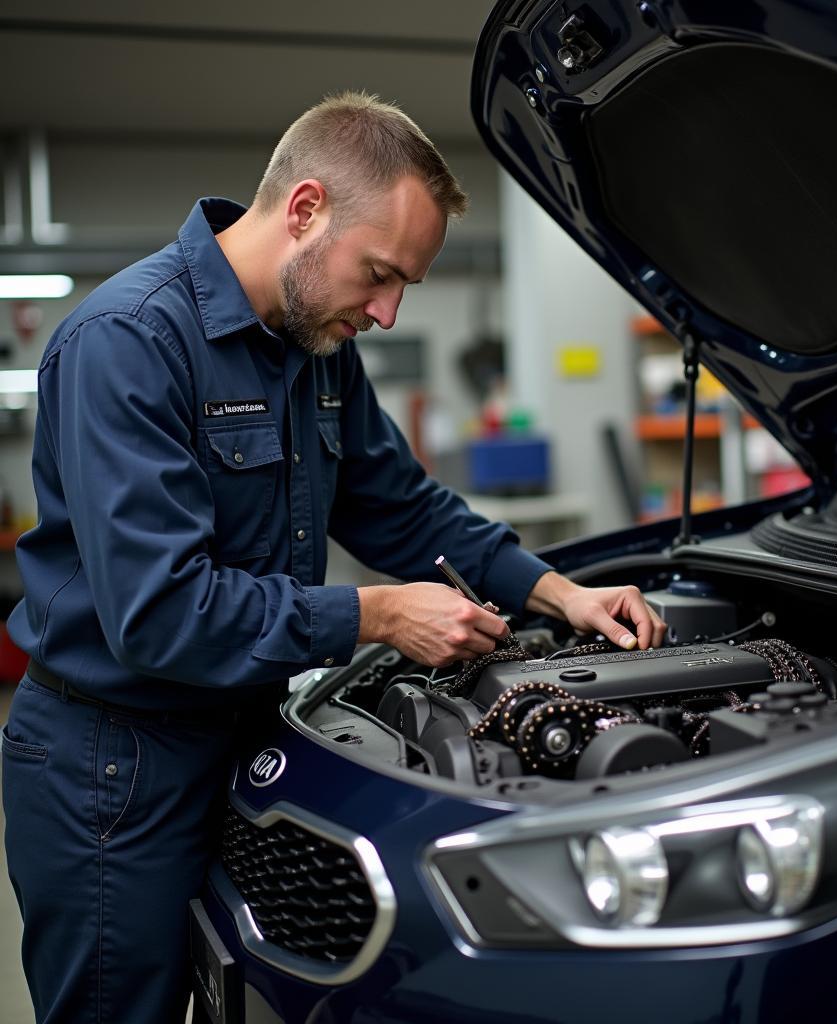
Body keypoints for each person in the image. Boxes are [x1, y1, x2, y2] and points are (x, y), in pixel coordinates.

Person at [1, 92, 665, 1022]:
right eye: (381, 274)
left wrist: (557, 592)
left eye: (406, 288)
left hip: (249, 738)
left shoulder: (316, 350)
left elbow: (400, 506)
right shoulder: (130, 343)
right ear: (305, 210)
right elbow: (160, 612)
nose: (388, 313)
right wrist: (377, 615)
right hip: (114, 771)